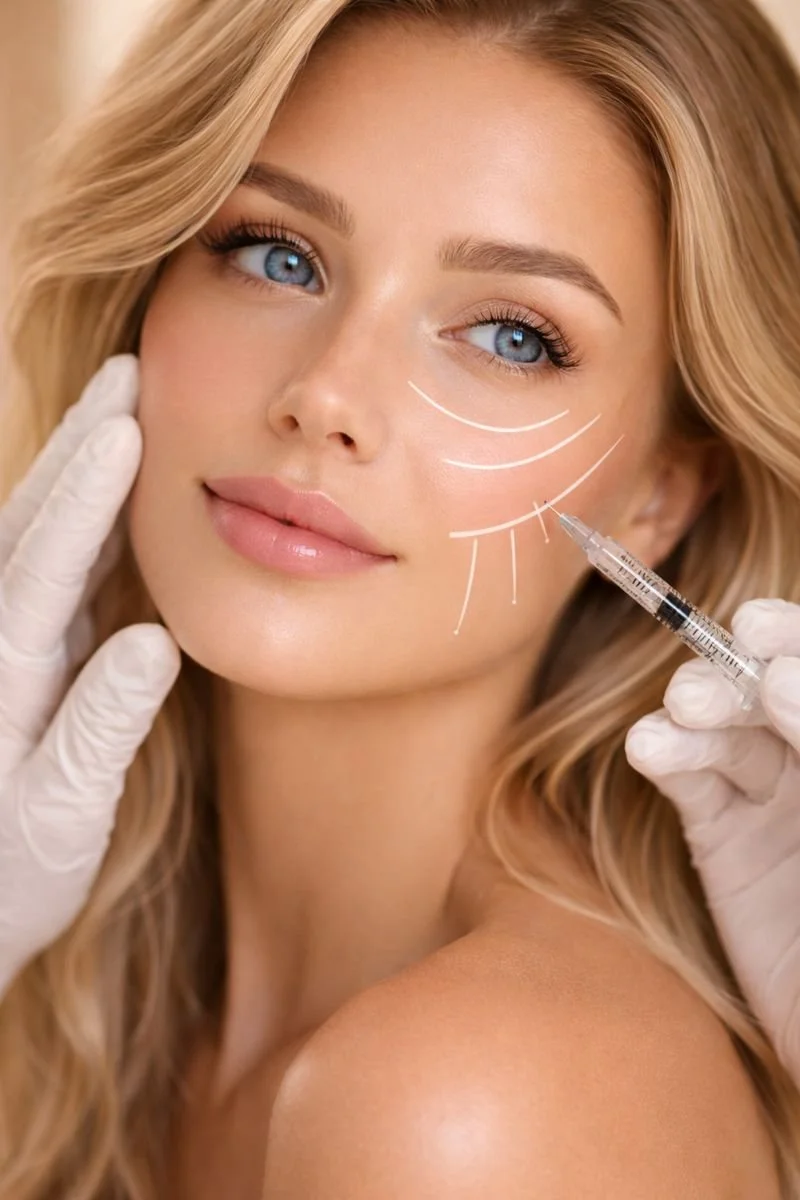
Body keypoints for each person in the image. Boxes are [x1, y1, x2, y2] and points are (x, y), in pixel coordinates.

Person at [0, 0, 799, 1195]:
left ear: (656, 501)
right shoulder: (97, 1001)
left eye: (513, 337)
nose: (326, 394)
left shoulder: (466, 1107)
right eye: (276, 253)